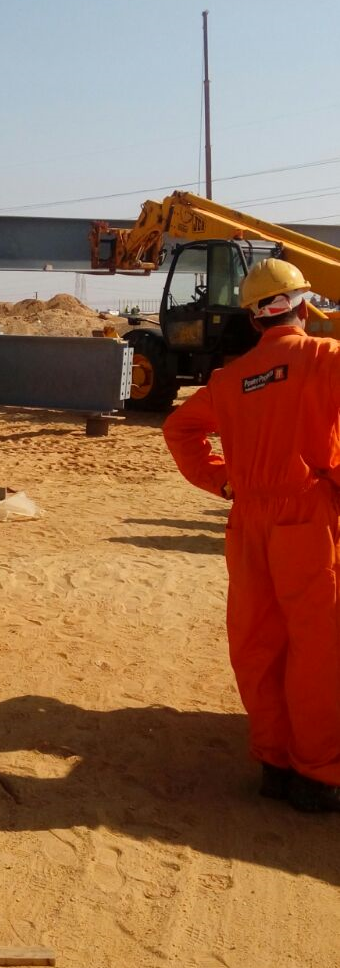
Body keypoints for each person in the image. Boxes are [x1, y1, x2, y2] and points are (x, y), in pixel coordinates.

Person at [162, 257, 340, 812]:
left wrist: (223, 481)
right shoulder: (325, 358)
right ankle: (318, 774)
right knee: (318, 645)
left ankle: (274, 763)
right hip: (306, 517)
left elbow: (179, 428)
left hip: (248, 522)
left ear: (255, 318)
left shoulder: (230, 379)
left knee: (258, 640)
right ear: (304, 306)